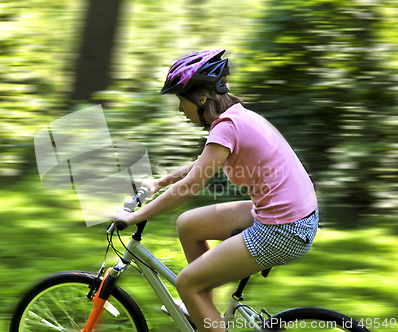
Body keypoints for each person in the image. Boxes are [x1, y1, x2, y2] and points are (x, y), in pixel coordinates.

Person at [113, 49, 318, 332]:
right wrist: (160, 183)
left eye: (180, 101)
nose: (179, 109)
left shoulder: (227, 127)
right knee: (189, 224)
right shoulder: (237, 118)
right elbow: (202, 164)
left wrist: (135, 217)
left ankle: (197, 300)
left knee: (186, 282)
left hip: (283, 230)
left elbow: (191, 186)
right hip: (291, 217)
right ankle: (200, 307)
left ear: (200, 98)